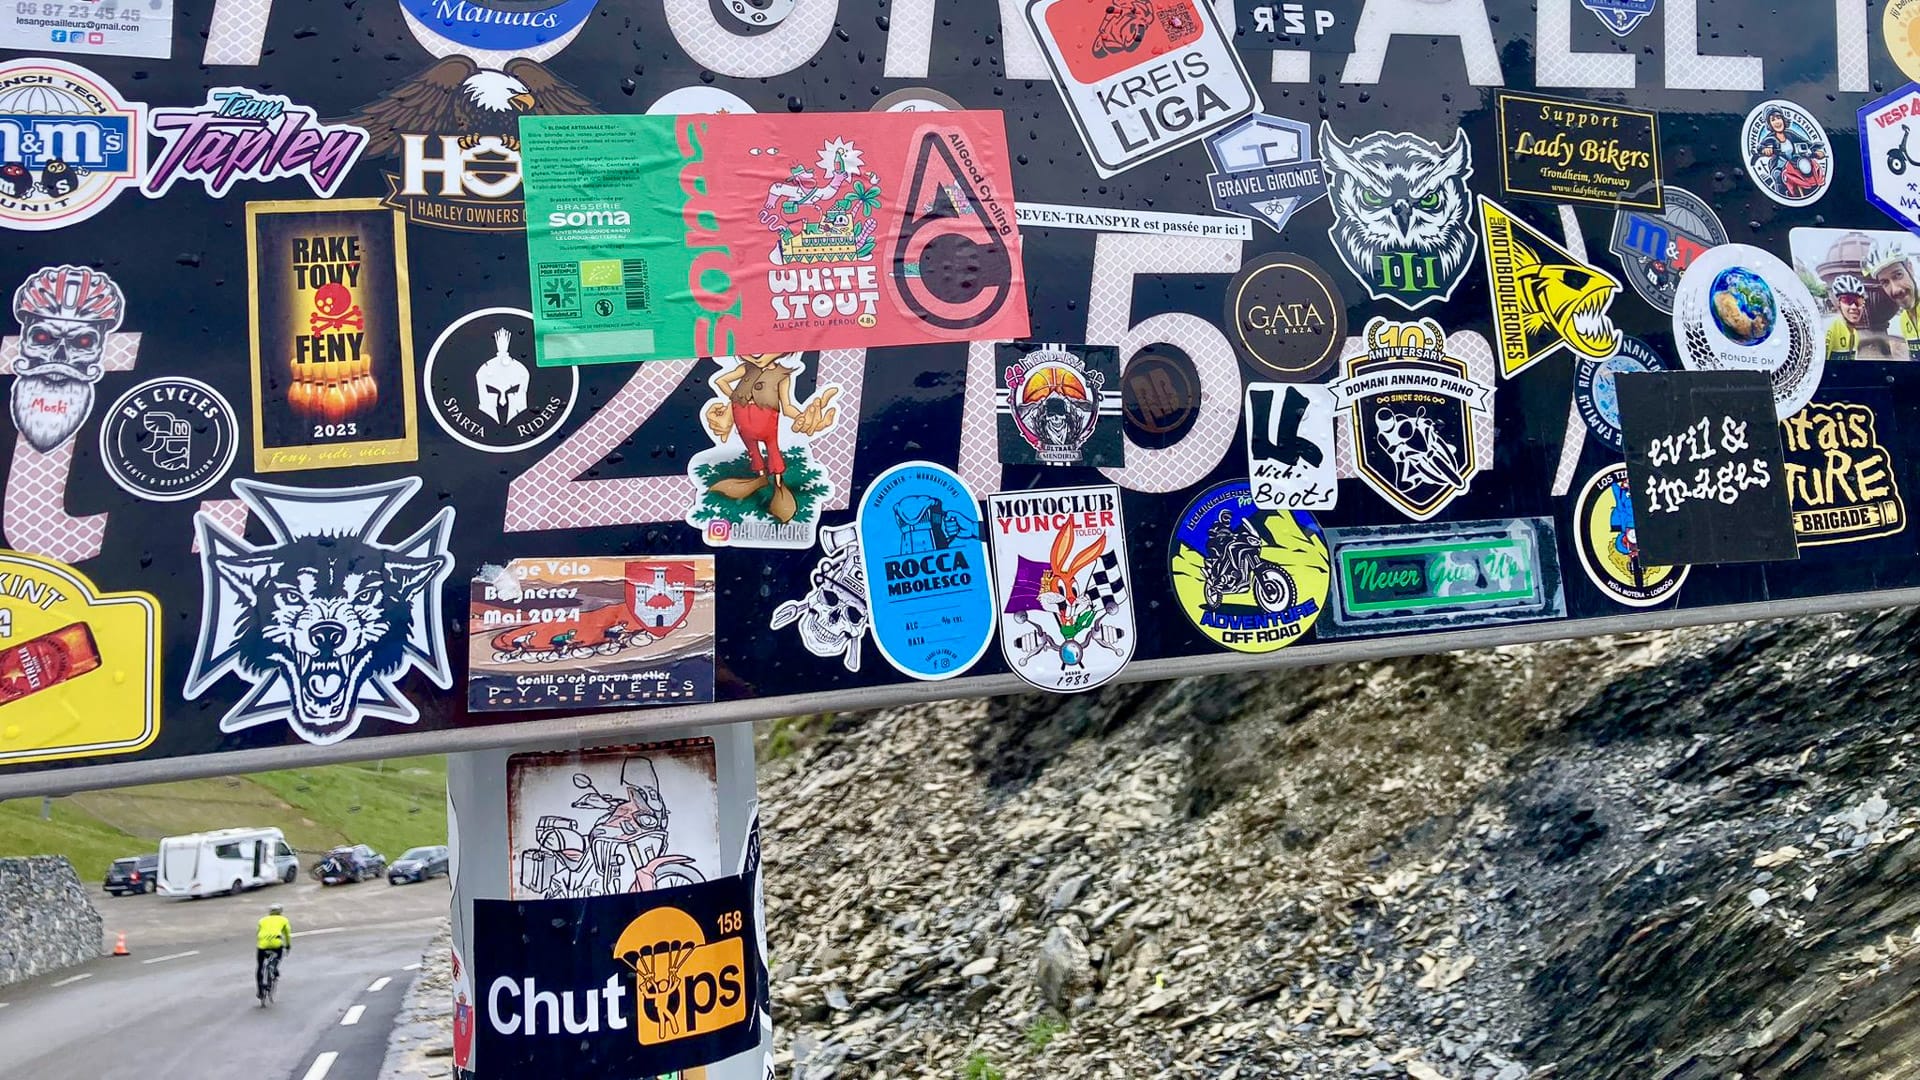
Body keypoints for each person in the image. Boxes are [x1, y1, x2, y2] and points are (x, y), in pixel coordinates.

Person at [1866, 240, 1920, 358]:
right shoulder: (1904, 319)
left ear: (1910, 268)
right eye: (1885, 282)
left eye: (1898, 275)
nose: (1895, 289)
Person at [1825, 274, 1869, 362]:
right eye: (1847, 300)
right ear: (1839, 303)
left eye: (1858, 302)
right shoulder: (1830, 328)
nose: (1854, 306)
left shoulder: (1855, 334)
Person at [257, 903, 292, 998]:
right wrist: (288, 945)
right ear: (280, 912)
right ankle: (274, 968)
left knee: (260, 966)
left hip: (262, 945)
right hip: (276, 943)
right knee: (278, 956)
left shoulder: (262, 920)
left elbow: (258, 933)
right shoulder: (284, 920)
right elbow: (287, 934)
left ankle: (260, 990)